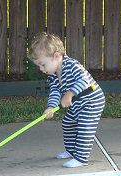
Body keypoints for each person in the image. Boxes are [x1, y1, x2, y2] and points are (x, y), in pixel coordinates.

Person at [28, 32, 105, 168]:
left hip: (91, 102)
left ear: (56, 56)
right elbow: (55, 91)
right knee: (67, 123)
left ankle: (81, 158)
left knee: (84, 127)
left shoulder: (72, 65)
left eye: (43, 64)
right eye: (38, 66)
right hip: (77, 104)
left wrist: (69, 93)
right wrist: (51, 107)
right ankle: (71, 151)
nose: (41, 69)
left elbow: (84, 80)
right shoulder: (52, 75)